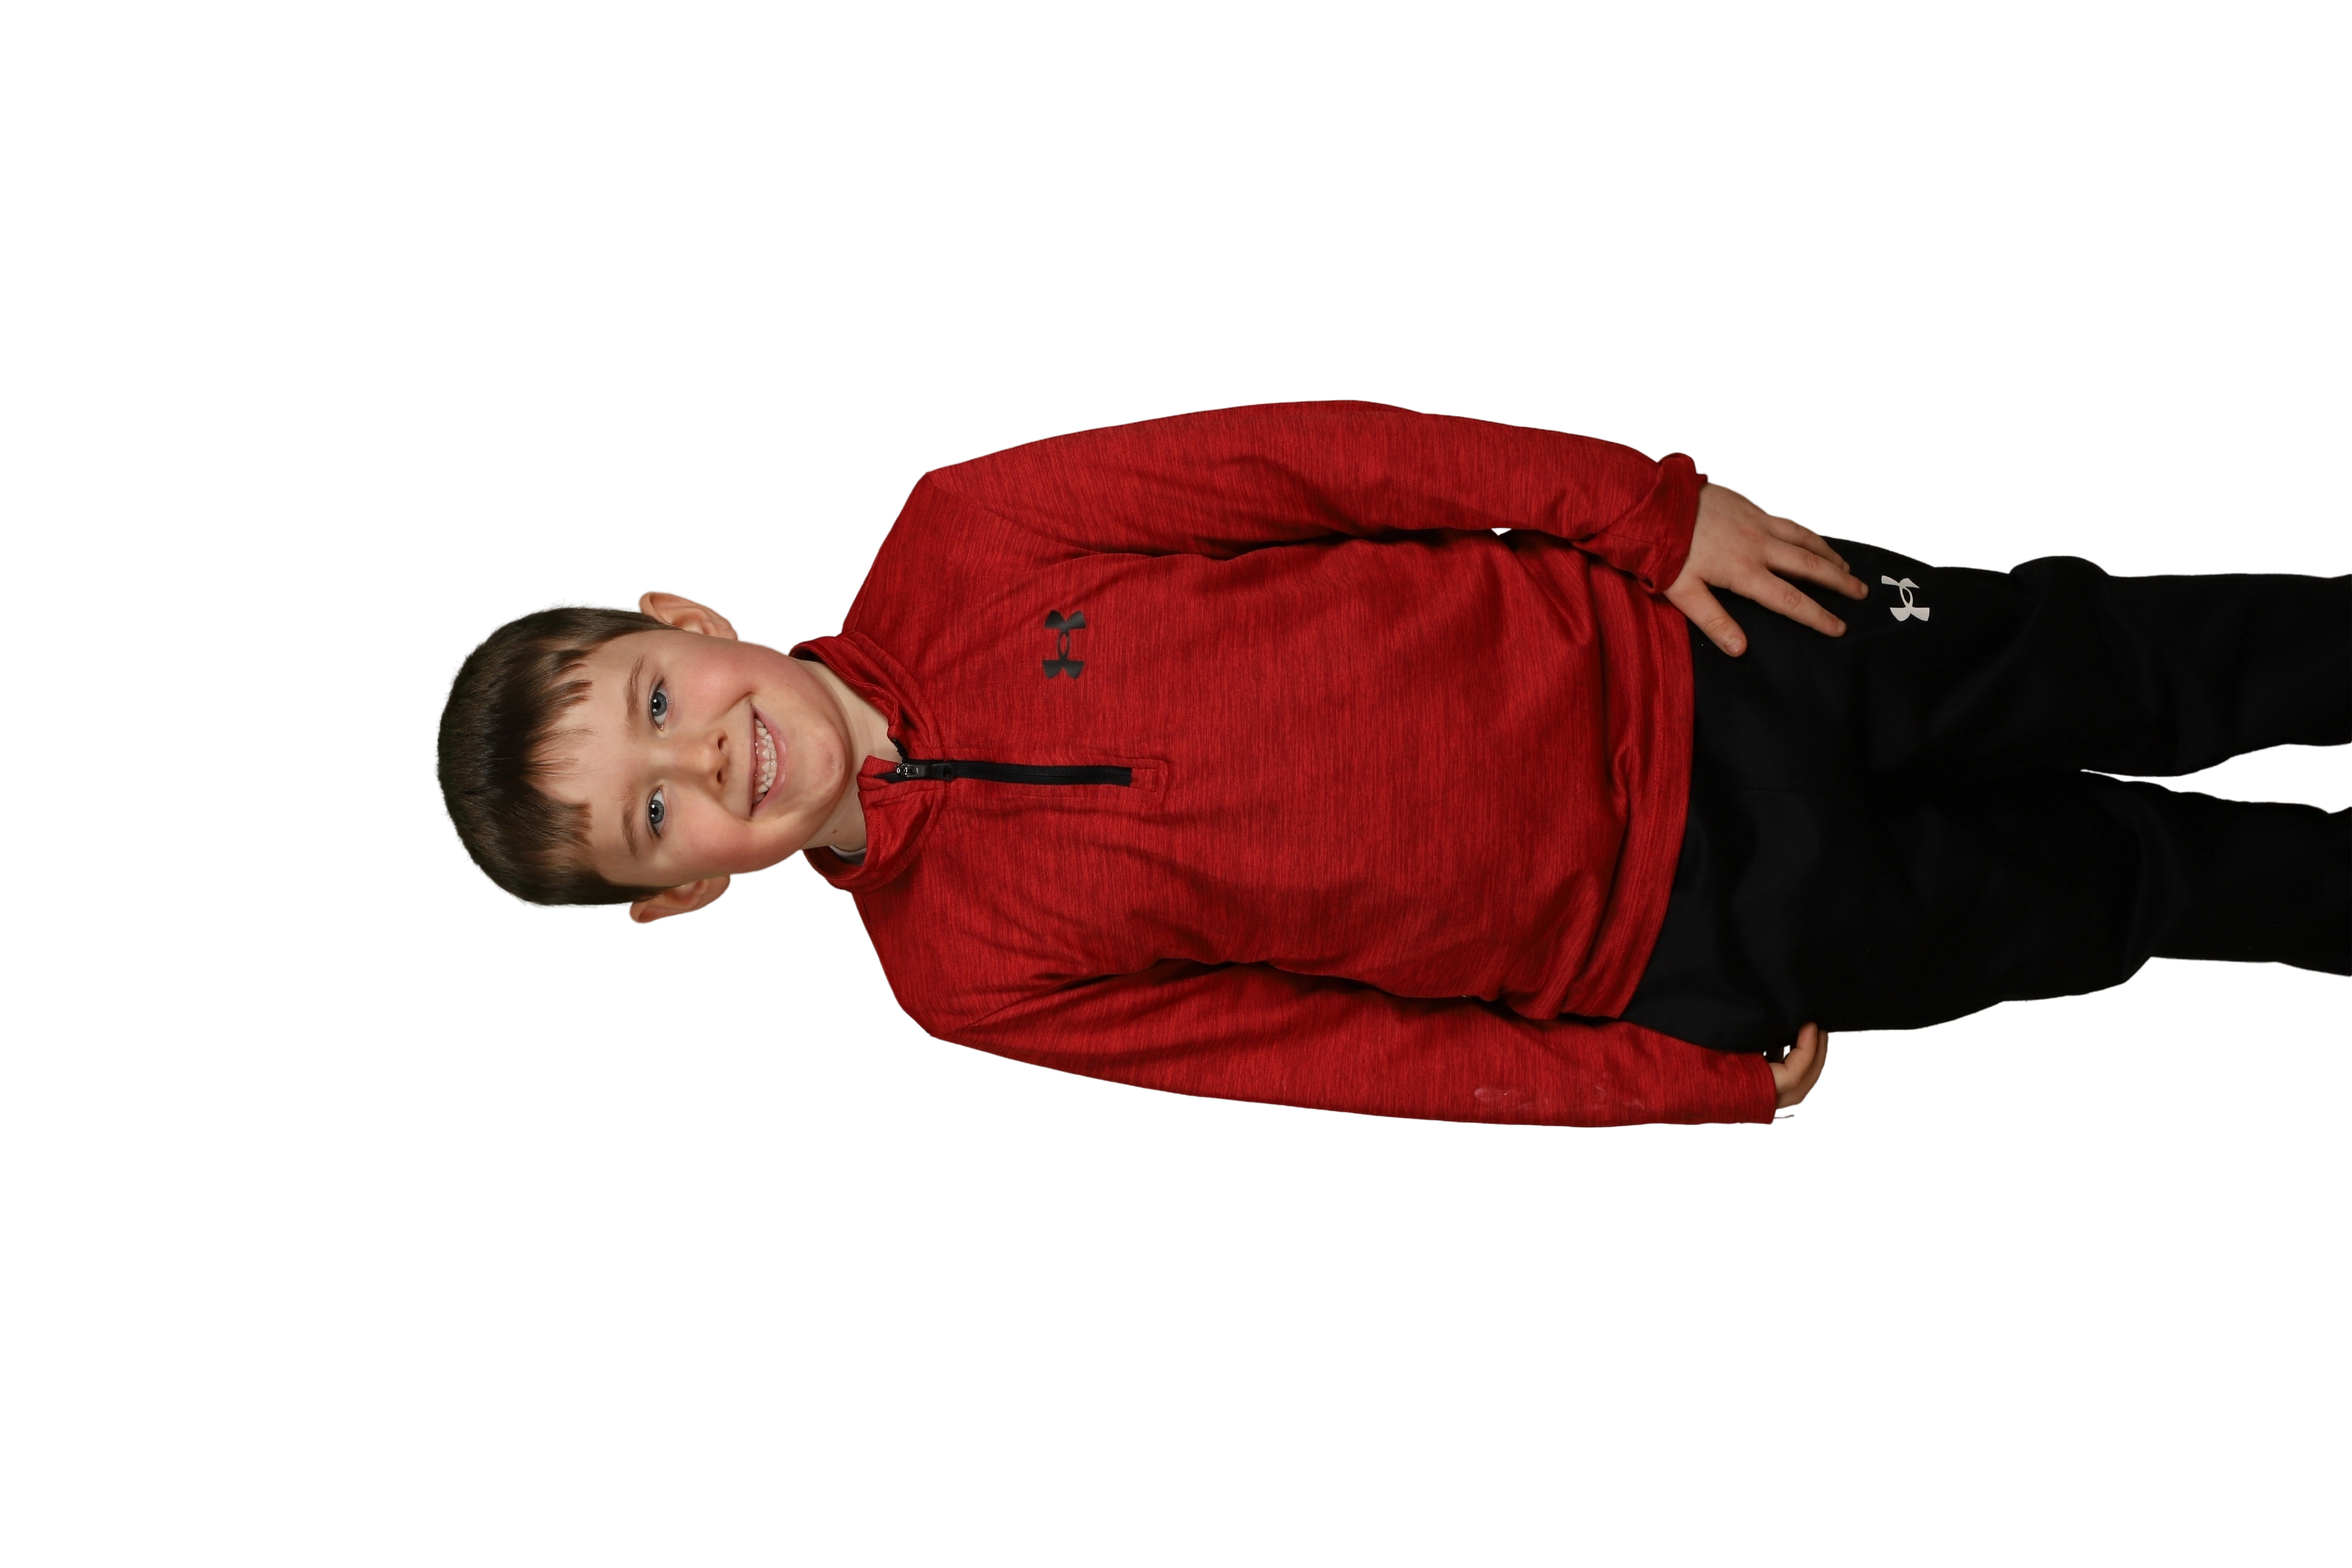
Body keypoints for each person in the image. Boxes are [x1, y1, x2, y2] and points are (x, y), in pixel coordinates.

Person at [429, 398, 2352, 1129]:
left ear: (680, 612)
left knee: (2136, 666)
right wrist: (1657, 1084)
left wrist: (1648, 516)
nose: (703, 758)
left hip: (1713, 650)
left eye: (654, 700)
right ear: (686, 896)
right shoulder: (963, 979)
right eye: (652, 816)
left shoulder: (971, 534)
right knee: (2132, 896)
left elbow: (1330, 463)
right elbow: (1332, 1053)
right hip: (1682, 933)